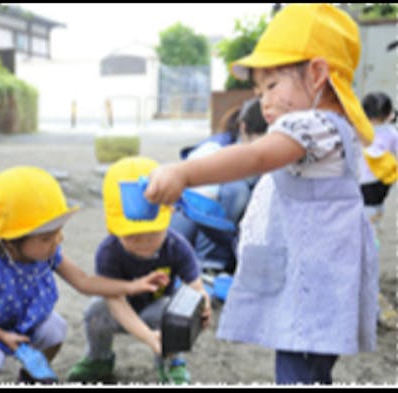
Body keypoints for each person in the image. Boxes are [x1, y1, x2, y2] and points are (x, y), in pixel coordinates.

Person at [143, 4, 378, 385]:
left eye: (271, 86)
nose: (263, 101)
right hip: (323, 281)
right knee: (308, 370)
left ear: (317, 74)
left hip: (312, 287)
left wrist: (184, 172)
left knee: (298, 373)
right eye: (258, 90)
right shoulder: (337, 128)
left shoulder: (312, 124)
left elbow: (254, 157)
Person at [0, 166, 169, 385]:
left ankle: (29, 377)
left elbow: (84, 282)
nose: (58, 241)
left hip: (21, 323)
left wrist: (133, 286)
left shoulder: (47, 254)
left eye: (58, 233)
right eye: (47, 238)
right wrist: (1, 335)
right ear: (11, 242)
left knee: (55, 328)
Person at [66, 156, 211, 385]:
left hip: (157, 309)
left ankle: (171, 360)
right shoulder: (109, 251)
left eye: (152, 233)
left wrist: (202, 305)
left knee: (174, 314)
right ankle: (99, 358)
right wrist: (147, 336)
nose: (143, 242)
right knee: (95, 311)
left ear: (169, 216)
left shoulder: (176, 246)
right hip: (120, 310)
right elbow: (115, 301)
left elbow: (195, 286)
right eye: (132, 236)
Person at [170, 98, 268, 274]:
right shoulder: (213, 149)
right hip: (189, 231)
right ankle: (209, 268)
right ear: (244, 129)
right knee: (235, 190)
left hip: (228, 239)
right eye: (259, 142)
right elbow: (198, 206)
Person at [357, 91, 398, 241]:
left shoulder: (362, 131)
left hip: (367, 179)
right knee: (377, 202)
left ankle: (371, 234)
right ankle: (376, 220)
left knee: (368, 207)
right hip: (385, 179)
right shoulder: (392, 132)